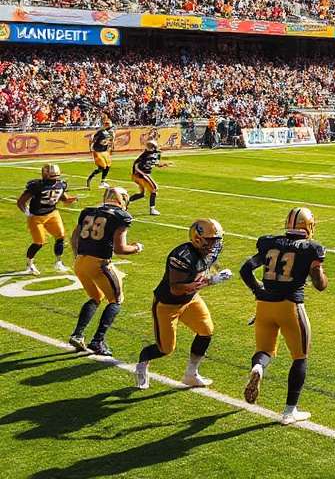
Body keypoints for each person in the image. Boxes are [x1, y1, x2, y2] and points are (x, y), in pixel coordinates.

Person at [240, 208, 329, 425]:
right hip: (290, 307)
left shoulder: (269, 242)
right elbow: (320, 285)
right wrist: (317, 272)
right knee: (300, 357)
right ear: (308, 226)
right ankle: (290, 411)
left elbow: (246, 269)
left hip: (264, 305)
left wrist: (257, 290)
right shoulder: (312, 248)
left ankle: (258, 368)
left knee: (265, 351)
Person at [135, 218, 232, 390]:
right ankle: (143, 361)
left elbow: (207, 267)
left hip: (191, 300)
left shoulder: (208, 253)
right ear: (198, 238)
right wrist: (210, 281)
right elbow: (177, 289)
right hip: (167, 305)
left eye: (217, 240)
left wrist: (214, 272)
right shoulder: (181, 256)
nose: (215, 244)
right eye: (211, 240)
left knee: (206, 331)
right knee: (166, 349)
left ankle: (191, 374)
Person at [69, 187, 141, 356]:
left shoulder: (88, 211)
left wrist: (77, 257)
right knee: (116, 300)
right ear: (123, 199)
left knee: (95, 297)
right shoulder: (121, 216)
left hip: (80, 262)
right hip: (99, 263)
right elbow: (120, 249)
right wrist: (136, 248)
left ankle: (78, 334)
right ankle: (97, 341)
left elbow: (74, 238)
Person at [17, 163, 77, 275]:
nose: (54, 178)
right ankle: (30, 264)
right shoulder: (37, 185)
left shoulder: (61, 184)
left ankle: (58, 262)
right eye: (52, 176)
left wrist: (68, 200)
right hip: (37, 216)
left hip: (52, 213)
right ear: (45, 175)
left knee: (61, 236)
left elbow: (62, 197)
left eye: (55, 176)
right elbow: (21, 201)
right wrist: (27, 212)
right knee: (39, 242)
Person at [128, 139, 169, 216]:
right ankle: (152, 210)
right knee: (154, 189)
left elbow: (154, 163)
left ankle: (124, 202)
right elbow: (136, 165)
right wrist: (141, 173)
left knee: (142, 194)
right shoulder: (145, 155)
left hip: (144, 174)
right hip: (139, 175)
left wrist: (161, 165)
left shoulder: (156, 154)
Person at [86, 117, 116, 189]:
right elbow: (93, 138)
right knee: (102, 167)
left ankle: (103, 182)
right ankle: (90, 178)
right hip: (98, 150)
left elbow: (111, 141)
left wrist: (112, 148)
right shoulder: (101, 132)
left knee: (108, 166)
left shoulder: (111, 132)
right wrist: (90, 146)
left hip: (105, 150)